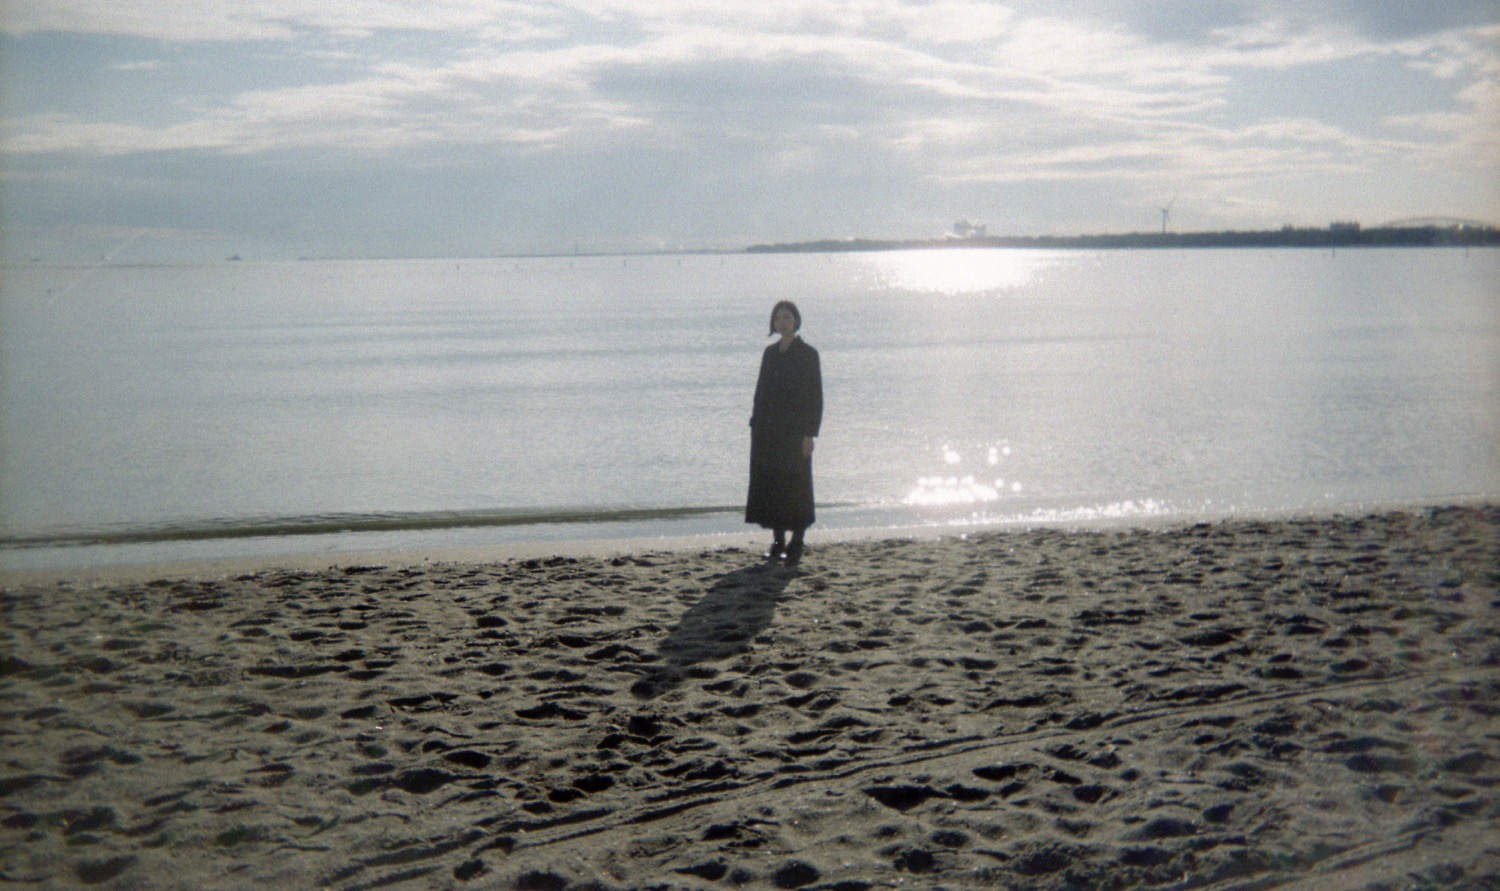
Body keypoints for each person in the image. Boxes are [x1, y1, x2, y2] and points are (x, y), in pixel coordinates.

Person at [746, 300, 822, 565]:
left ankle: (797, 541)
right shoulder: (770, 353)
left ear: (796, 320)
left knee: (797, 483)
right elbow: (761, 392)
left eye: (787, 317)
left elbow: (815, 397)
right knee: (773, 483)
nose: (782, 322)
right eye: (778, 318)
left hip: (796, 431)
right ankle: (778, 541)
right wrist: (755, 424)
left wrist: (810, 434)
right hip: (768, 430)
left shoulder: (808, 354)